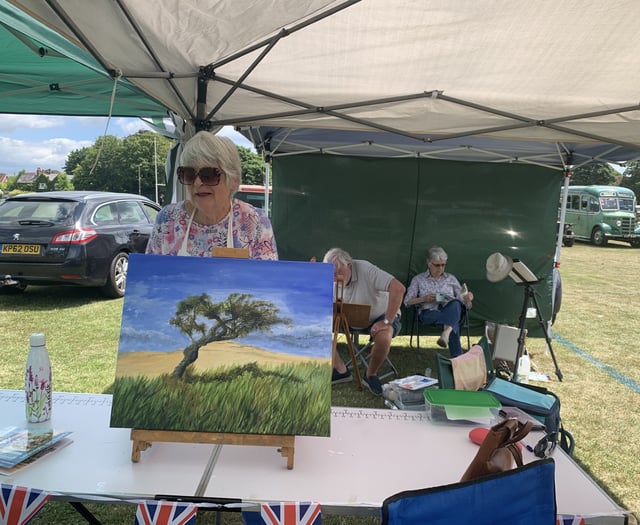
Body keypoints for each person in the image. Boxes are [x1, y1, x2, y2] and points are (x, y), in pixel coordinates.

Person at [145, 131, 277, 260]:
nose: (197, 182)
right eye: (189, 174)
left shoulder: (254, 221)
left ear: (233, 179)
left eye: (208, 175)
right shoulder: (168, 219)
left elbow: (267, 280)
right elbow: (148, 277)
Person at [323, 247, 405, 396]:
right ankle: (341, 370)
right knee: (317, 326)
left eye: (338, 273)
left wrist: (386, 321)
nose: (334, 278)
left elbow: (398, 288)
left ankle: (371, 374)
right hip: (349, 316)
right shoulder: (329, 276)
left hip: (380, 315)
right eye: (331, 274)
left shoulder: (366, 269)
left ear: (349, 265)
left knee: (384, 335)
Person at [404, 246, 473, 357]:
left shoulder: (451, 278)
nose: (440, 268)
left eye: (443, 265)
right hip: (429, 313)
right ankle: (457, 357)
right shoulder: (418, 279)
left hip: (449, 309)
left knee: (455, 304)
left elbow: (463, 301)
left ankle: (446, 333)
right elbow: (407, 302)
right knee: (452, 321)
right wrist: (424, 299)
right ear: (429, 263)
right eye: (437, 265)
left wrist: (468, 298)